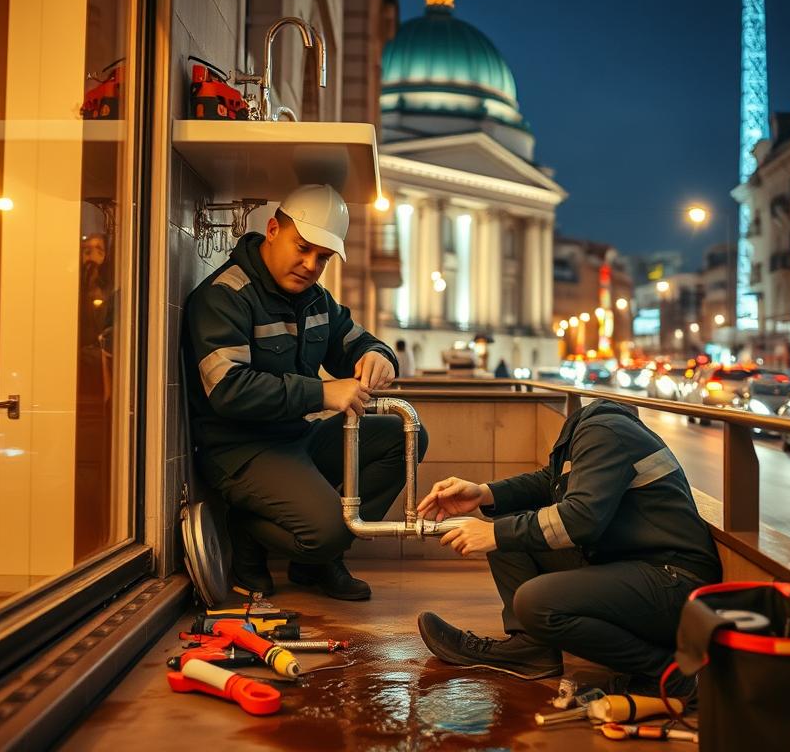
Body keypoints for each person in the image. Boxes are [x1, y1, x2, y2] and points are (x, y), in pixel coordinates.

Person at [183, 184, 422, 601]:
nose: (311, 265)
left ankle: (313, 561)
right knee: (331, 530)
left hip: (297, 439)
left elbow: (358, 341)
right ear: (272, 230)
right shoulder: (223, 296)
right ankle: (254, 531)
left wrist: (379, 355)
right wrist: (322, 394)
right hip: (240, 450)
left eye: (323, 258)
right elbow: (228, 390)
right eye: (303, 247)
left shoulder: (316, 301)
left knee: (406, 436)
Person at [415, 399, 721, 692]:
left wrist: (494, 535)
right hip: (640, 566)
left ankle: (668, 672)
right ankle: (530, 650)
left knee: (536, 602)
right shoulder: (594, 430)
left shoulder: (604, 432)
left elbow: (582, 519)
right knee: (509, 526)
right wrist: (483, 493)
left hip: (675, 583)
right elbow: (549, 482)